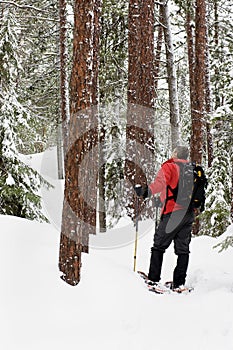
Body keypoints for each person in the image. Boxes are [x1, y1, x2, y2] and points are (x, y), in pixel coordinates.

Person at [135, 145, 195, 291]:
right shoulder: (192, 169)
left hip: (173, 214)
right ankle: (179, 283)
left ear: (175, 154)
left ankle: (154, 280)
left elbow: (159, 185)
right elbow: (179, 191)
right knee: (183, 249)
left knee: (159, 246)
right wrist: (161, 201)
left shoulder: (170, 167)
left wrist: (144, 192)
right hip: (188, 214)